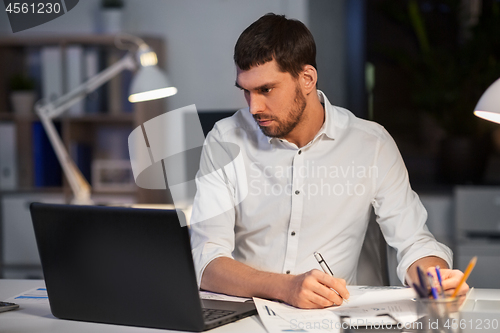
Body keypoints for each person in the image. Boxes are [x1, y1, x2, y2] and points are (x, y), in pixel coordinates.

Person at [189, 13, 468, 309]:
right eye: (246, 91)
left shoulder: (371, 144)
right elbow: (206, 259)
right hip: (247, 316)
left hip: (334, 317)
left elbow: (414, 242)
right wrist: (285, 288)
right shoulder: (224, 140)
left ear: (307, 79)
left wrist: (433, 278)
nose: (254, 107)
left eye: (266, 89)